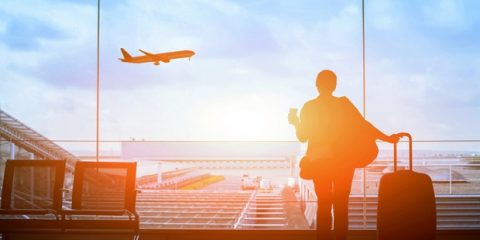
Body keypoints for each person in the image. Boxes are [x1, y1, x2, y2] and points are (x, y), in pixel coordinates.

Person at [288, 70, 399, 240]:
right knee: (341, 206)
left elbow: (303, 137)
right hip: (343, 161)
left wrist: (296, 123)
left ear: (317, 85)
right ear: (334, 85)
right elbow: (365, 126)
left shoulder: (309, 107)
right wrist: (388, 138)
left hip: (320, 162)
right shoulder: (344, 104)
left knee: (324, 205)